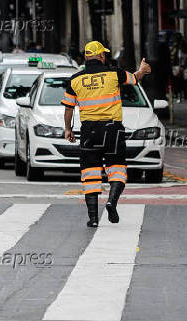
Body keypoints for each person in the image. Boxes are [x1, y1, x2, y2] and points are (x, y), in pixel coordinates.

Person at [61, 41, 151, 227]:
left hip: (88, 132)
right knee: (117, 168)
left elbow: (69, 108)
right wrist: (142, 69)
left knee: (90, 173)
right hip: (112, 129)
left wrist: (68, 129)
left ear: (86, 57)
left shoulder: (75, 79)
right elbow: (135, 79)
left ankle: (93, 218)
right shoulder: (114, 73)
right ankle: (112, 201)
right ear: (102, 56)